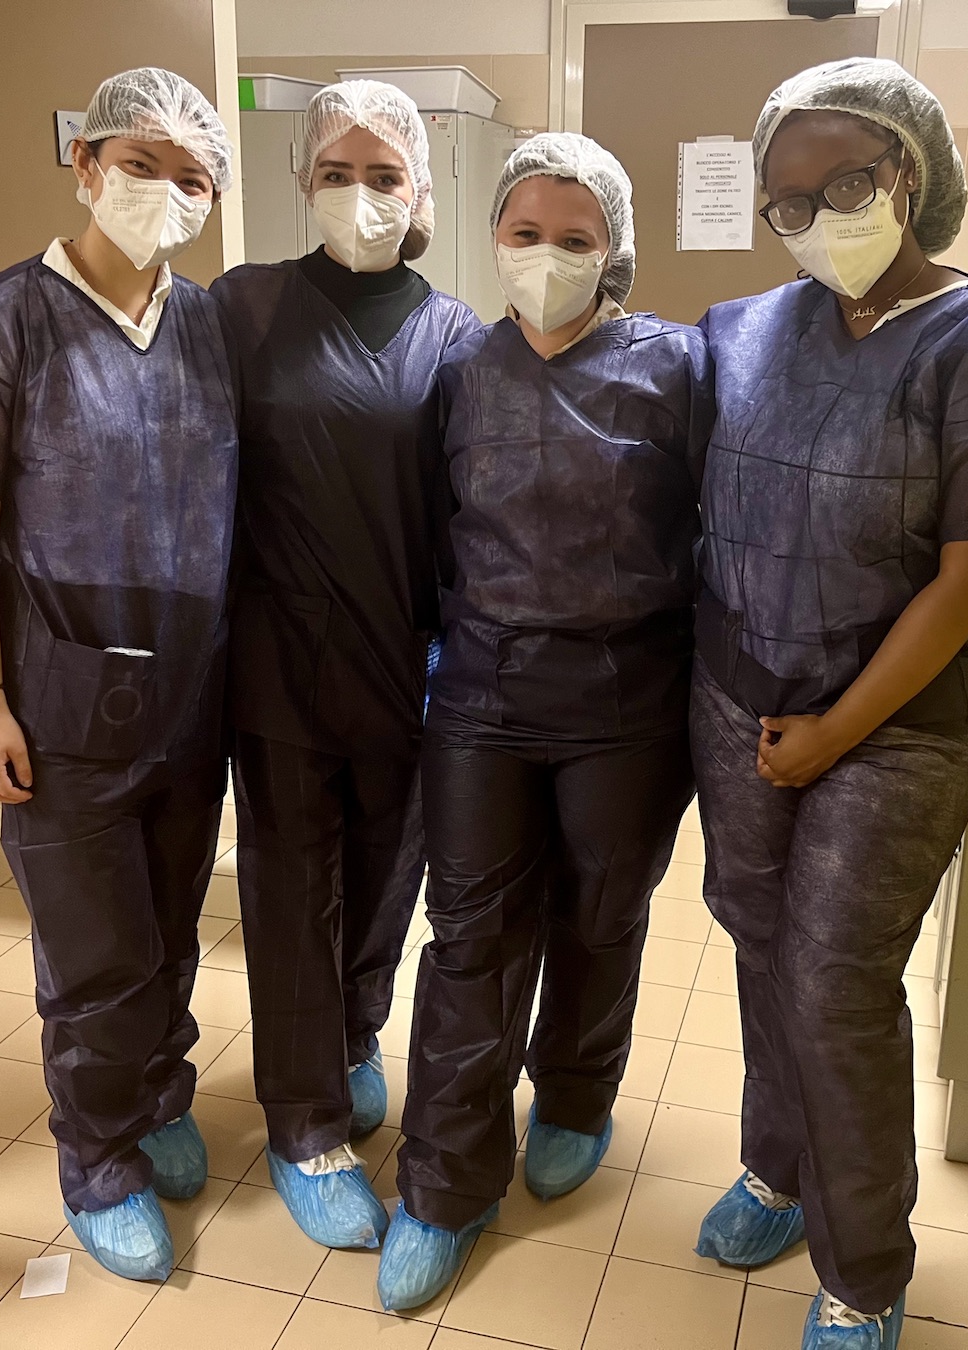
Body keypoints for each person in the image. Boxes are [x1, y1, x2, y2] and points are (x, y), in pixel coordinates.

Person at [689, 59, 968, 1349]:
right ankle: (776, 1163)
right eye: (789, 201)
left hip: (898, 725)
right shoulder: (746, 329)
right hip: (739, 697)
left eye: (847, 184)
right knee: (758, 938)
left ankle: (863, 1267)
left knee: (836, 978)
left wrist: (830, 735)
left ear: (909, 174)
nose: (820, 216)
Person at [0, 69, 237, 1282]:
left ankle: (158, 1092)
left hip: (192, 699)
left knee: (171, 931)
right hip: (58, 701)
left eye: (192, 175)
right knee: (93, 956)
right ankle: (100, 1161)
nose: (165, 190)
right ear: (84, 164)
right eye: (141, 162)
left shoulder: (206, 325)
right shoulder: (1, 321)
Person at [378, 132, 712, 1311]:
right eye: (526, 235)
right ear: (494, 239)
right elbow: (432, 533)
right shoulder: (463, 373)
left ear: (614, 247)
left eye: (576, 240)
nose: (548, 258)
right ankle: (444, 1183)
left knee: (600, 913)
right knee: (469, 934)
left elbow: (719, 540)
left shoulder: (679, 369)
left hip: (628, 699)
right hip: (479, 693)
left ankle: (574, 1093)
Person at [211, 80, 481, 1252]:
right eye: (337, 171)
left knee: (387, 873)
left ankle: (354, 1032)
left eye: (385, 175)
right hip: (277, 662)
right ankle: (305, 1122)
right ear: (303, 182)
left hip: (410, 662)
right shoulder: (243, 309)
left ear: (422, 189)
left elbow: (475, 511)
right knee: (288, 891)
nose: (360, 194)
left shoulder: (462, 337)